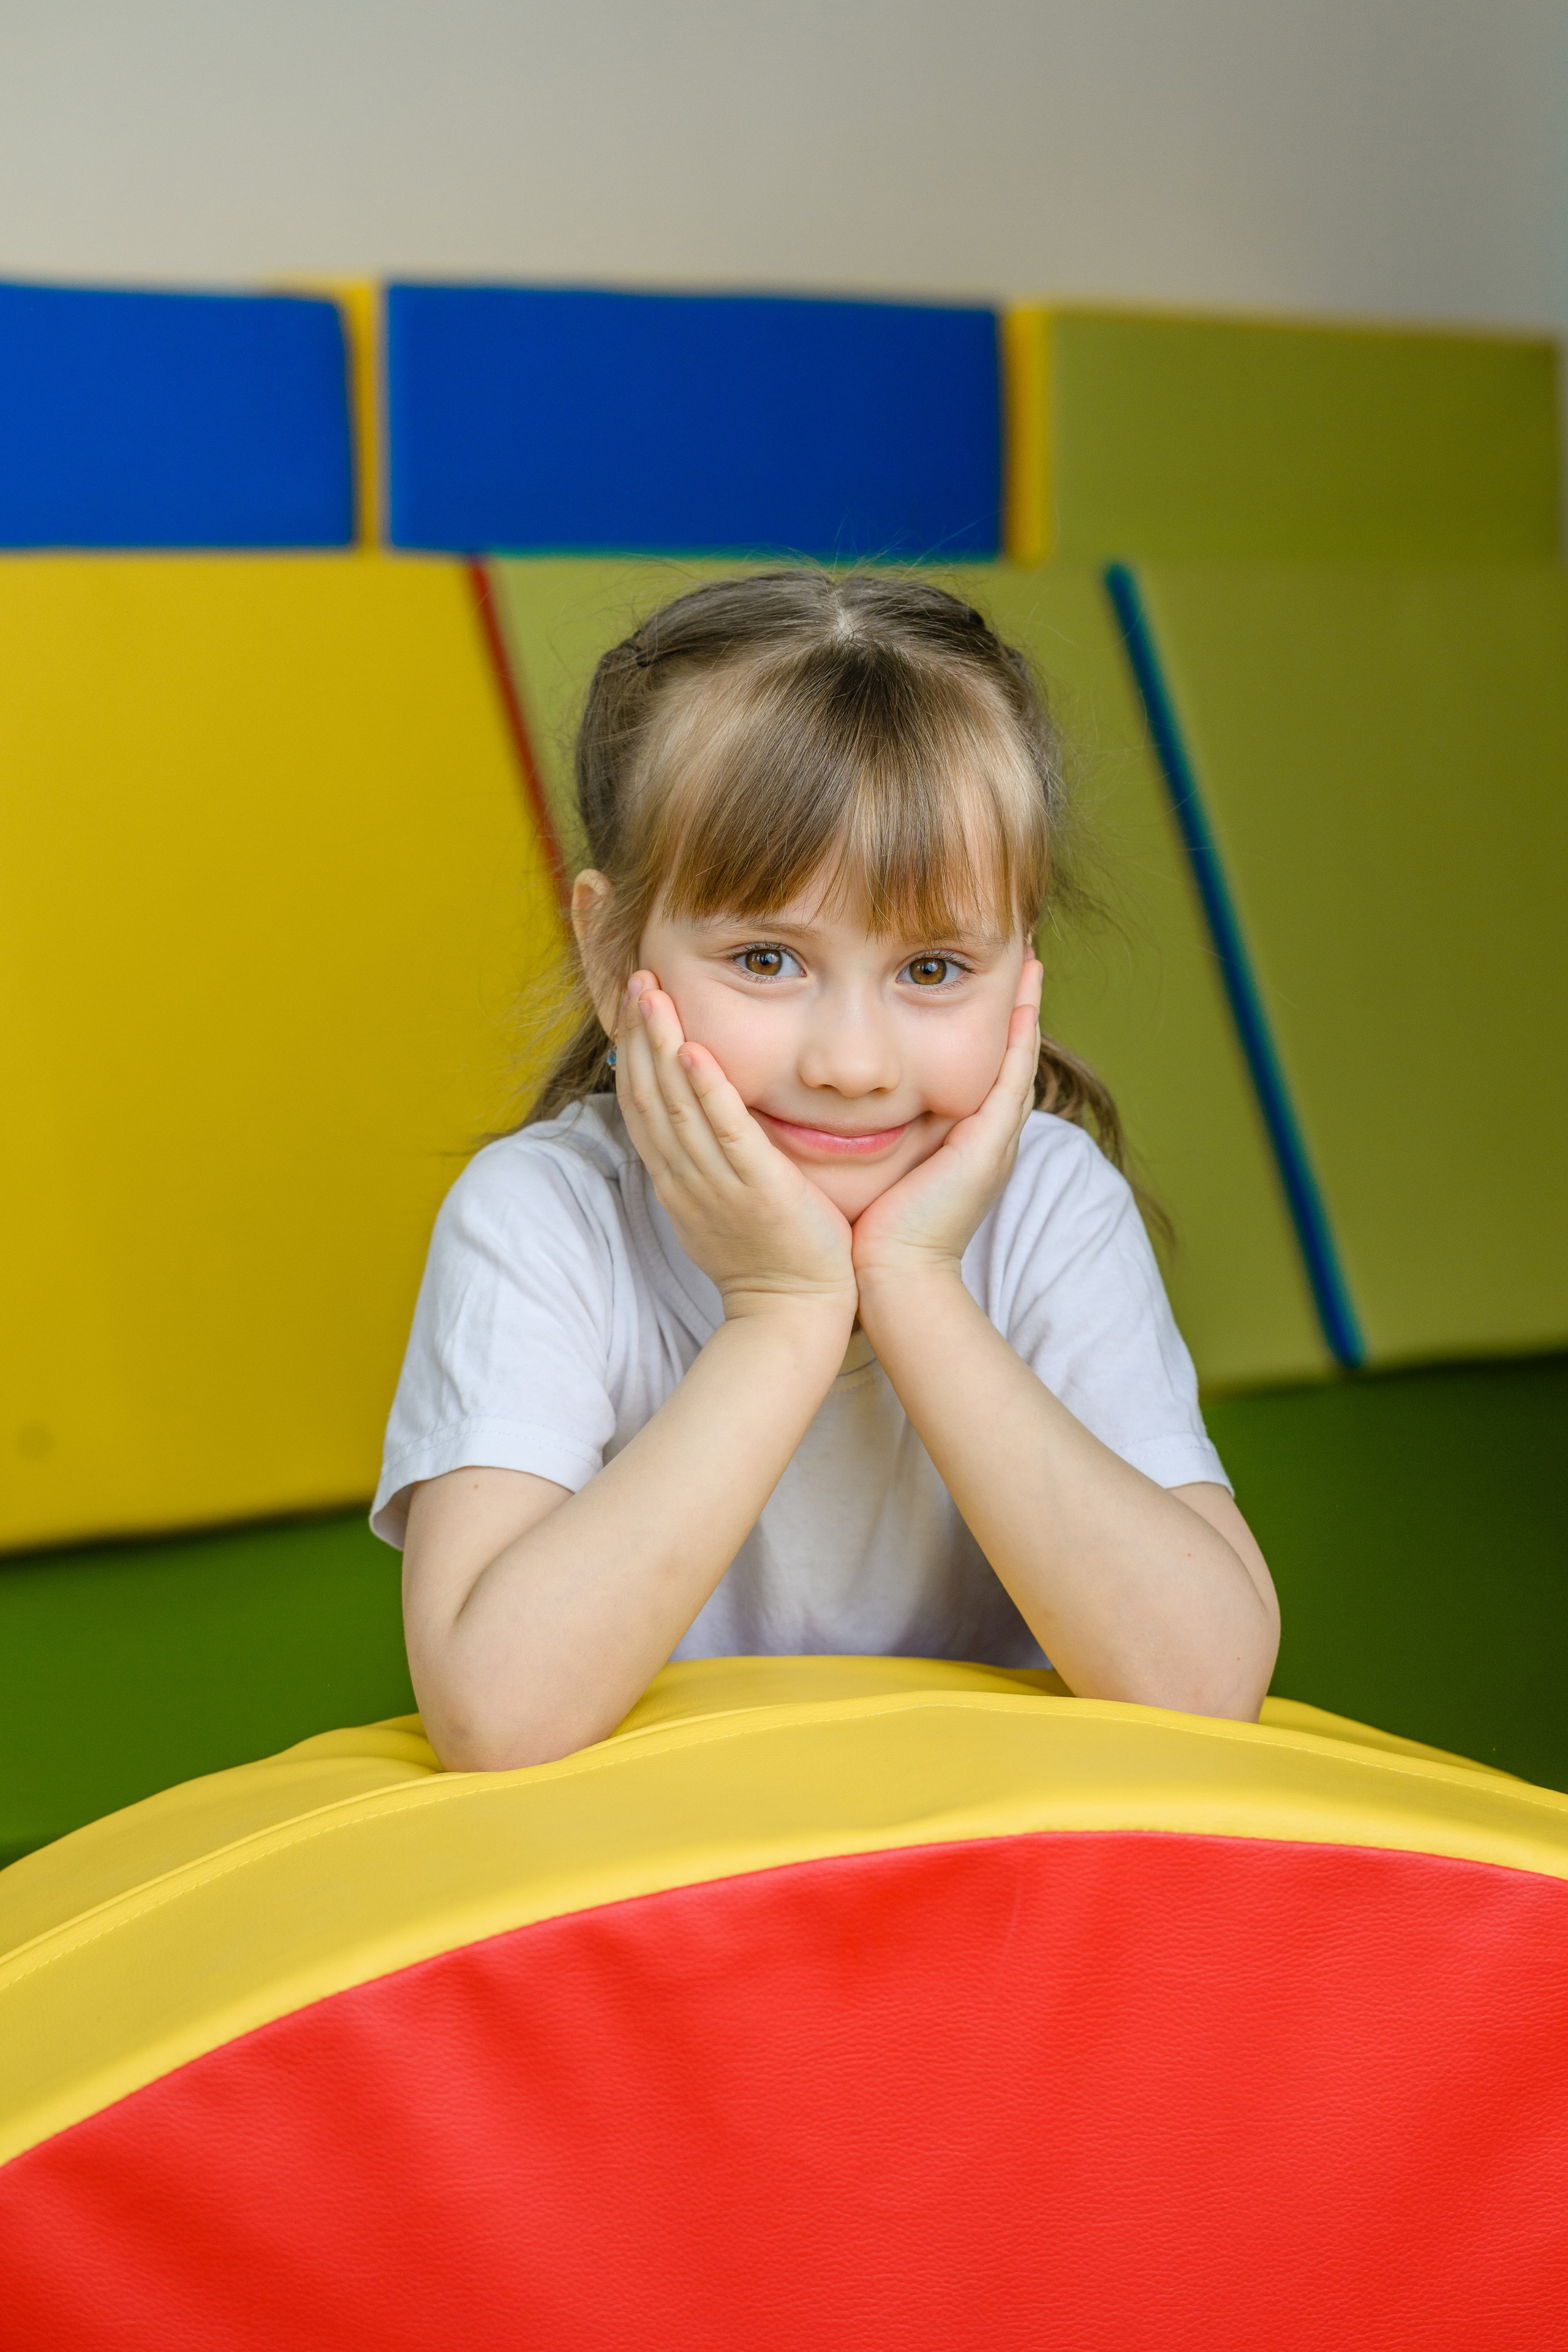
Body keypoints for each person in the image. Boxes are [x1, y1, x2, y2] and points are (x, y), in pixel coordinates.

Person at [375, 571, 1280, 1770]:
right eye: (765, 958)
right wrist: (784, 1312)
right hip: (669, 1915)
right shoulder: (538, 1218)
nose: (852, 1064)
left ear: (1022, 974)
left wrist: (914, 1283)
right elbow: (498, 1716)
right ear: (609, 952)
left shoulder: (1051, 1206)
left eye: (930, 970)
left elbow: (1200, 1681)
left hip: (993, 1897)